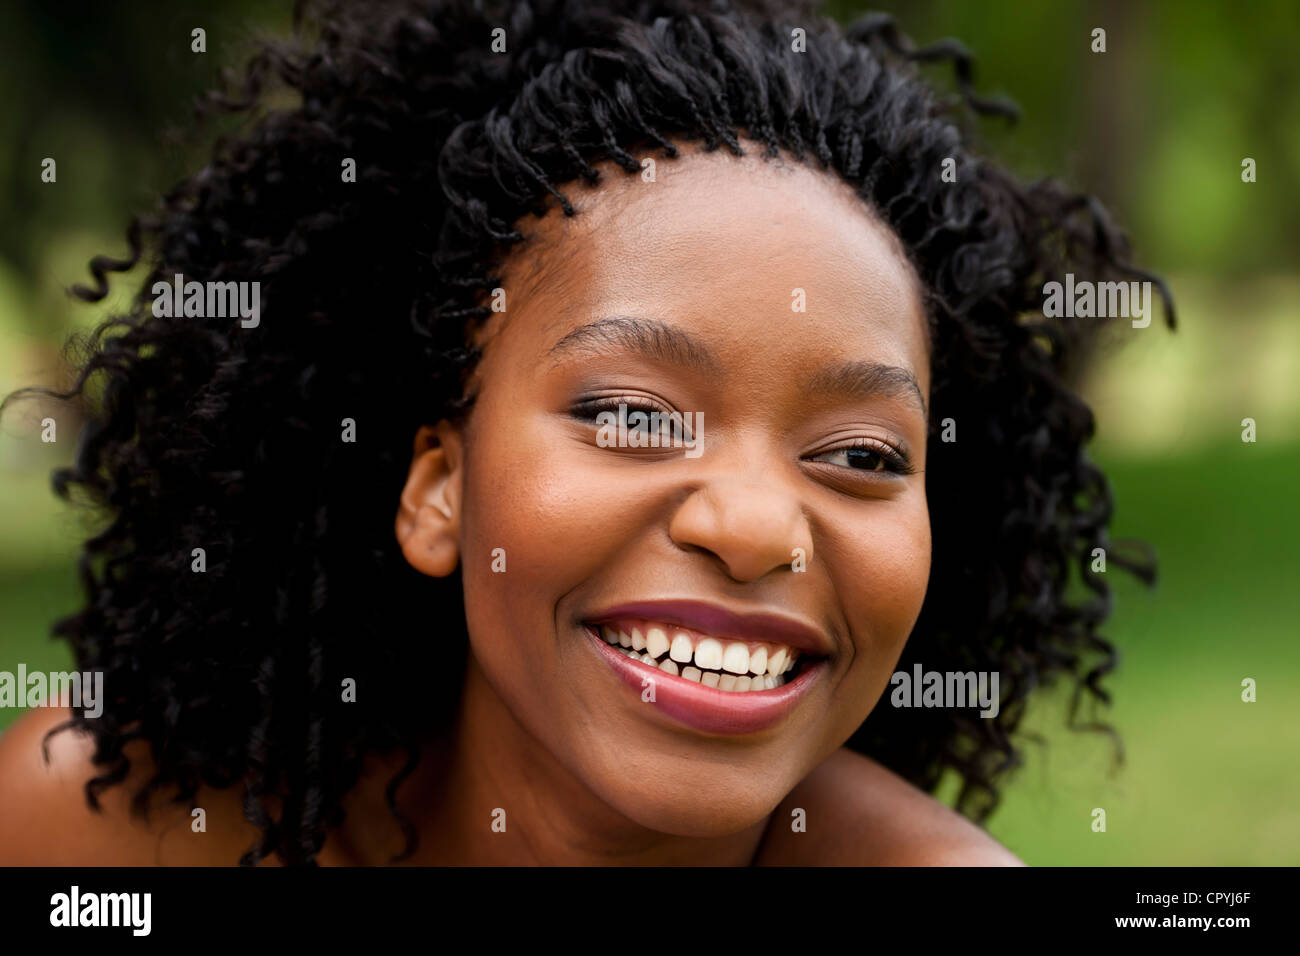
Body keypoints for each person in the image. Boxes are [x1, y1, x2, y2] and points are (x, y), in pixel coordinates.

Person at [0, 0, 1171, 865]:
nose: (755, 524)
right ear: (438, 490)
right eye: (628, 415)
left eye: (862, 455)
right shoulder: (103, 833)